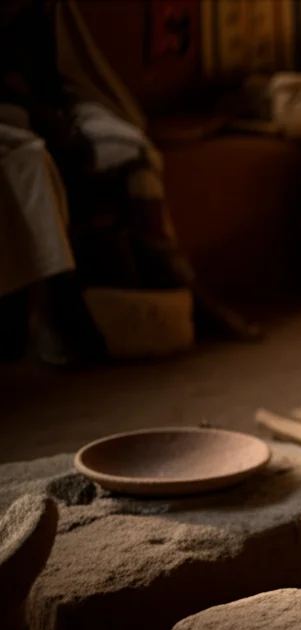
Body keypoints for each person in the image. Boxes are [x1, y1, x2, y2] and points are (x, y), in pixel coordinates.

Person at [0, 0, 257, 367]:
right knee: (31, 160)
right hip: (15, 120)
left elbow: (61, 69)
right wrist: (41, 121)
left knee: (130, 149)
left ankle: (184, 286)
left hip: (55, 106)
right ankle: (53, 309)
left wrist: (58, 117)